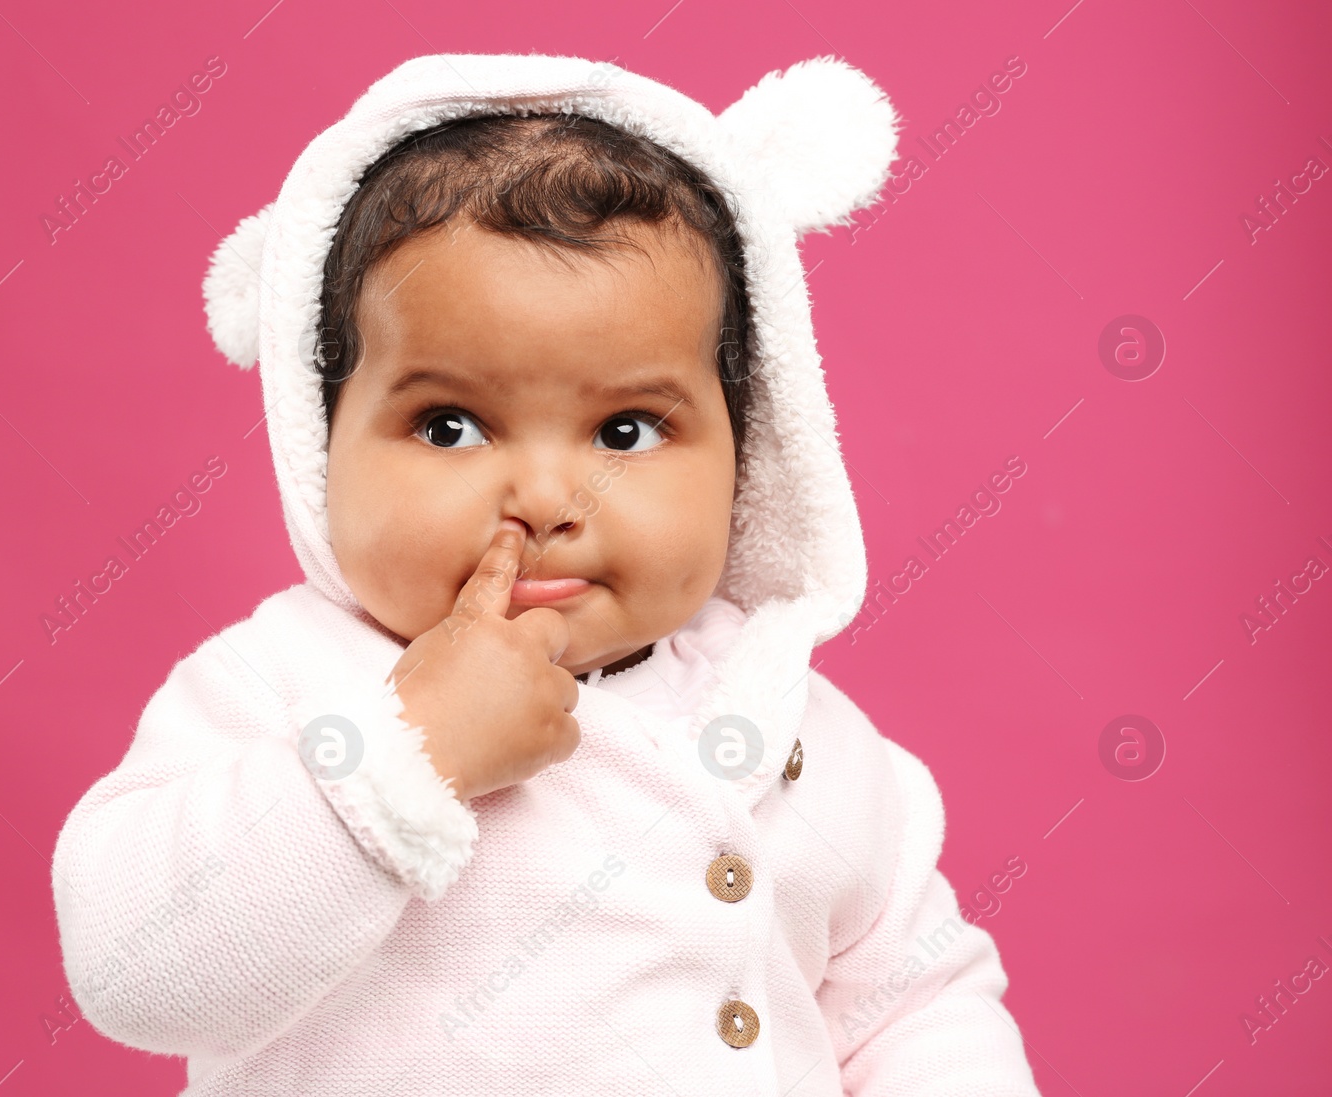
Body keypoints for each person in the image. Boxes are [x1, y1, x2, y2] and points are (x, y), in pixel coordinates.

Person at [51, 51, 1043, 1096]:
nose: (544, 495)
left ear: (746, 451)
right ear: (318, 439)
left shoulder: (798, 721)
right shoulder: (280, 684)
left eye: (624, 429)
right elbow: (132, 968)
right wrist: (402, 751)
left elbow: (914, 1002)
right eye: (448, 425)